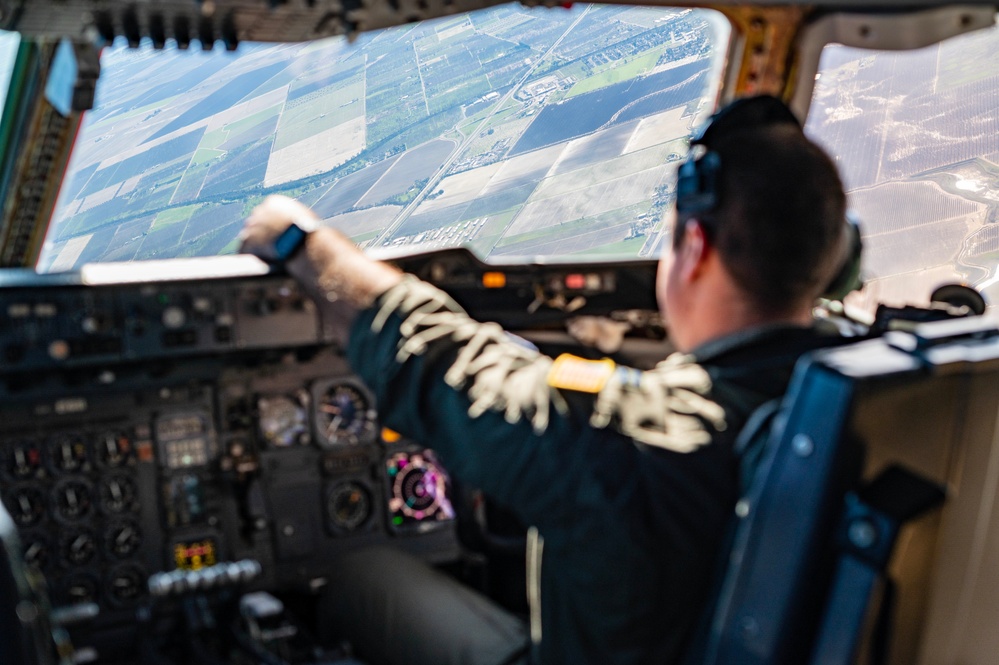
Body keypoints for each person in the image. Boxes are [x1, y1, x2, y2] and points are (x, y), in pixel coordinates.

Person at [239, 95, 850, 665]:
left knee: (363, 574)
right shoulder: (874, 384)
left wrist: (299, 241)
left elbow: (441, 364)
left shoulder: (638, 443)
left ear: (695, 246)